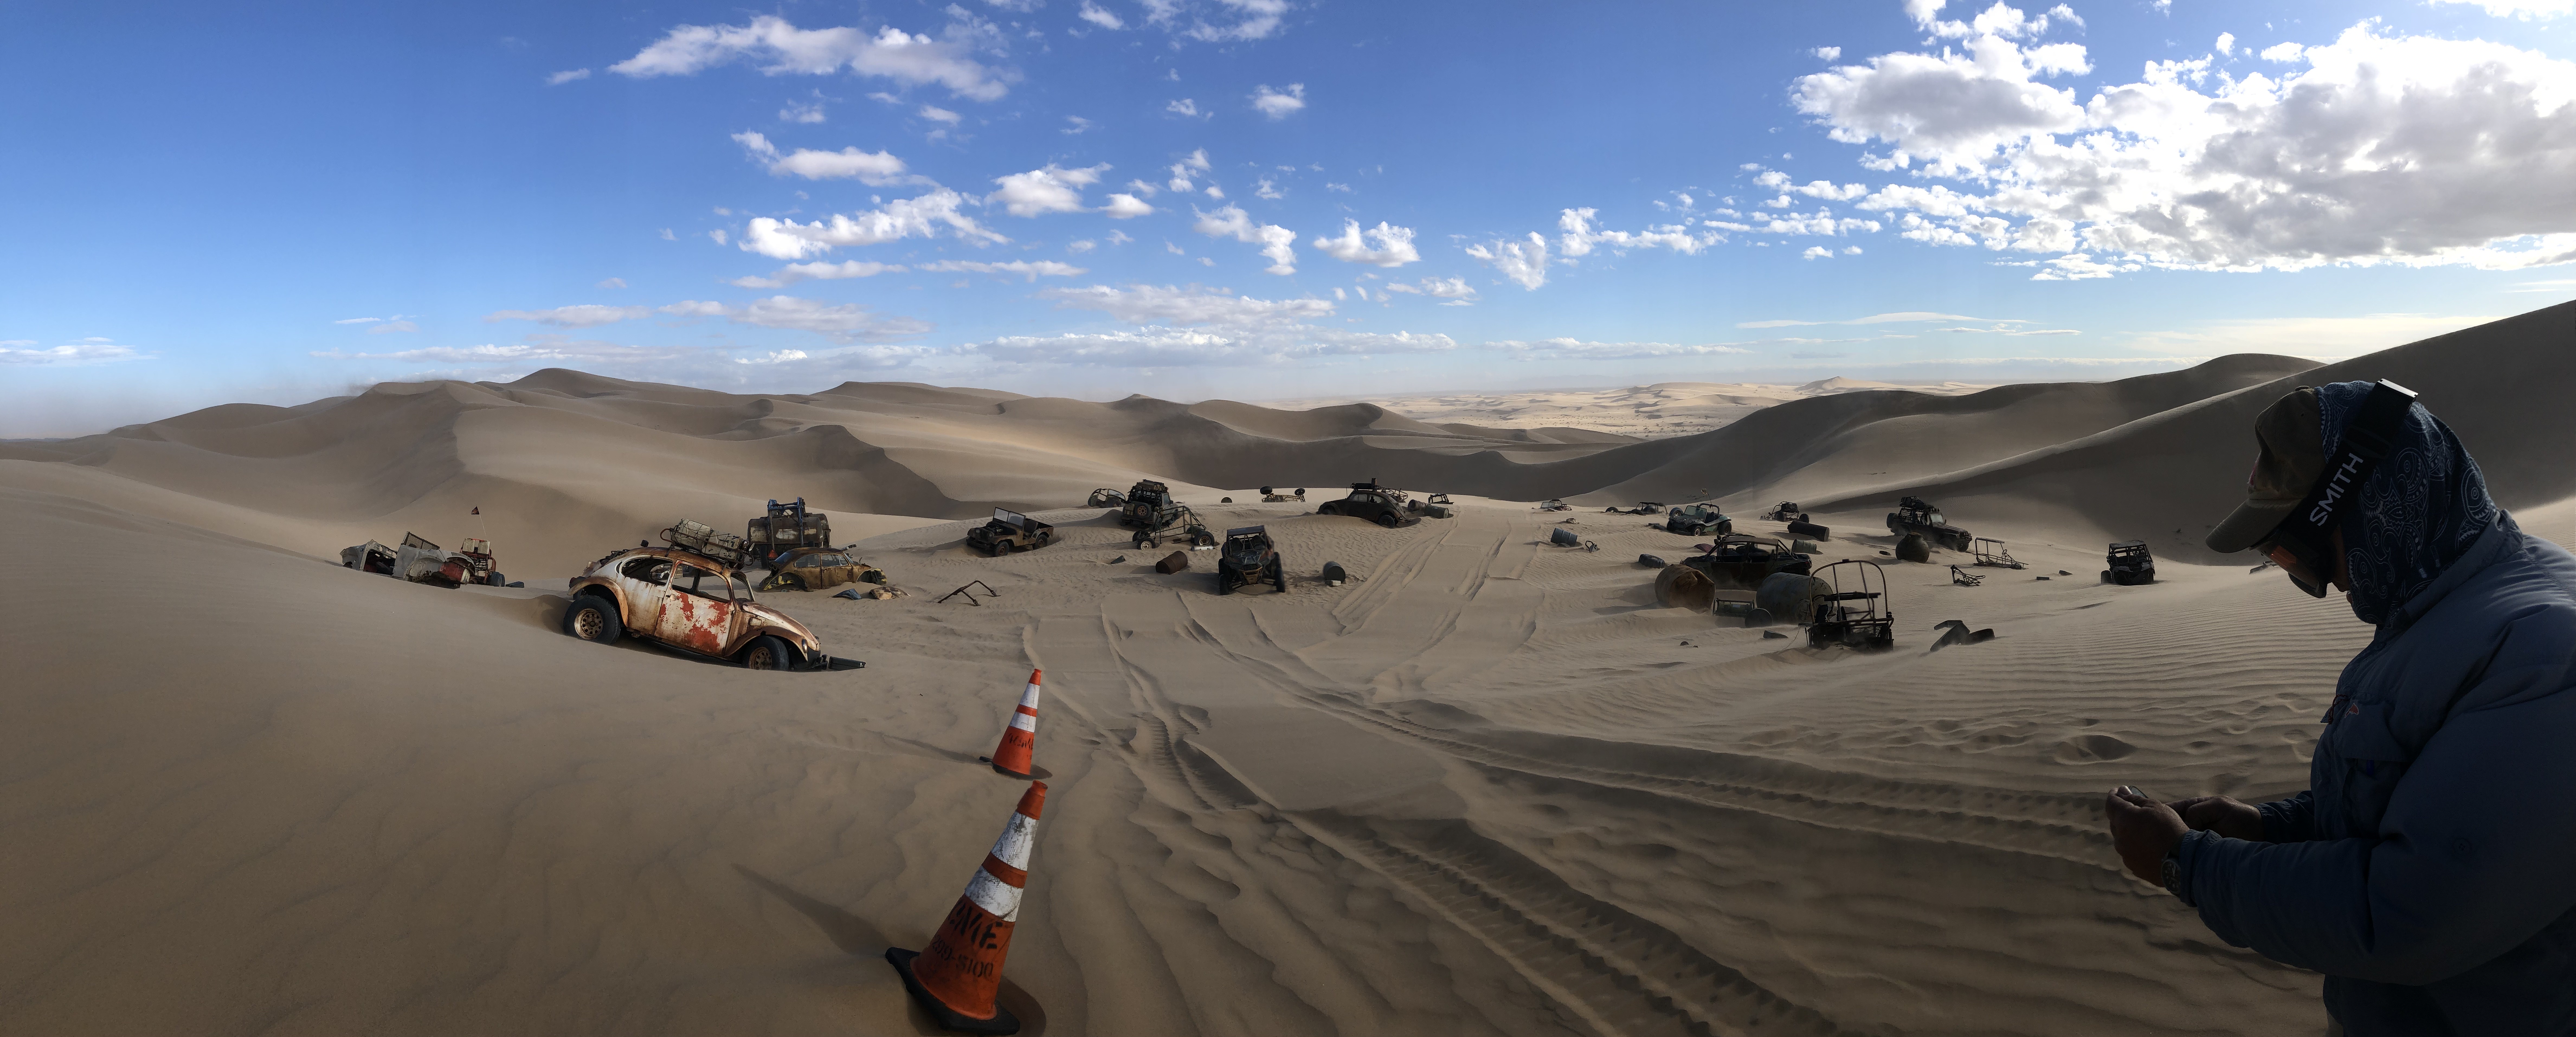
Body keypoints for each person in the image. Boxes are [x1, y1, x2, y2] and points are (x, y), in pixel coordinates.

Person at [2103, 381, 2576, 1035]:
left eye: (2299, 553)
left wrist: (2192, 865)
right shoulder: (2439, 607)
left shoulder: (2542, 649)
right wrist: (2273, 826)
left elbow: (2412, 913)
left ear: (2367, 506)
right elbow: (2407, 804)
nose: (2324, 586)